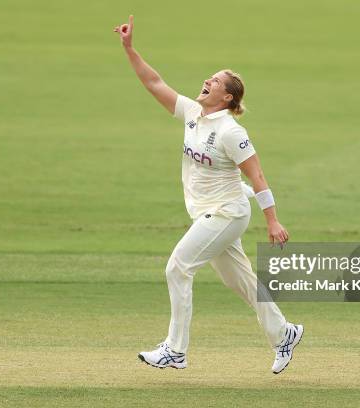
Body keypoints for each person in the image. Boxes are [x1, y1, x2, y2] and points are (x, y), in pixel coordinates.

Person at [113, 15, 303, 374]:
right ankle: (285, 333)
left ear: (227, 96)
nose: (207, 81)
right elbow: (154, 82)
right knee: (242, 282)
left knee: (178, 267)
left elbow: (258, 175)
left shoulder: (232, 132)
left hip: (228, 212)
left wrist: (273, 220)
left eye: (214, 81)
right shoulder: (192, 112)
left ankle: (175, 350)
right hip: (208, 213)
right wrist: (129, 49)